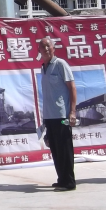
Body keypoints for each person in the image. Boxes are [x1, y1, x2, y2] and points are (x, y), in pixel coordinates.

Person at [37, 37, 77, 191]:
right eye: (43, 47)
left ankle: (69, 182)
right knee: (55, 149)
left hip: (61, 115)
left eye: (48, 46)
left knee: (65, 149)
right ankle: (61, 179)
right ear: (39, 51)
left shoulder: (61, 64)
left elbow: (72, 88)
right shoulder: (43, 68)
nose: (46, 49)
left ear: (53, 48)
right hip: (49, 116)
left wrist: (72, 111)